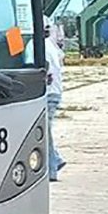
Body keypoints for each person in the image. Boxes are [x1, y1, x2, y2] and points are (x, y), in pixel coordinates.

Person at [44, 16, 67, 181]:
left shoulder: (37, 46)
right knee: (46, 130)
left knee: (44, 131)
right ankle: (56, 159)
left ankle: (52, 168)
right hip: (56, 92)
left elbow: (47, 73)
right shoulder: (51, 45)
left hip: (48, 92)